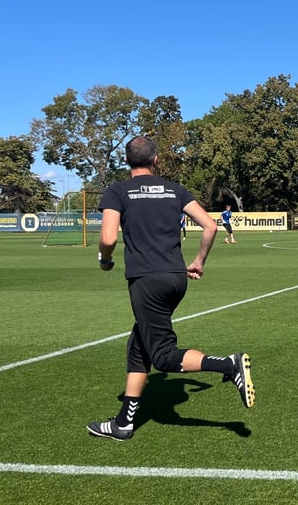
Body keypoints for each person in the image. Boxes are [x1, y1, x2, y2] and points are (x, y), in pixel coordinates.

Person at [88, 136, 254, 441]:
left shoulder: (118, 191)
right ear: (155, 160)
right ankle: (124, 423)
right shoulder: (174, 189)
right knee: (139, 345)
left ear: (127, 161)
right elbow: (210, 226)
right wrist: (199, 261)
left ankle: (228, 365)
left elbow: (109, 238)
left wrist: (104, 260)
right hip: (176, 278)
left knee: (162, 356)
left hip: (146, 281)